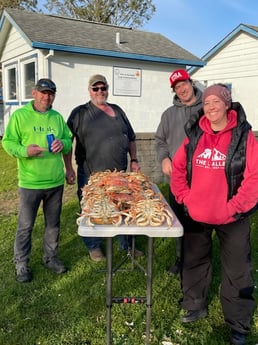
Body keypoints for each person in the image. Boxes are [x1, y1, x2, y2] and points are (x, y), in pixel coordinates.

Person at [171, 84, 257, 345]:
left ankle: (239, 324)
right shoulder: (195, 133)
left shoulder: (244, 135)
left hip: (233, 218)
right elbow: (177, 168)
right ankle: (195, 304)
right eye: (206, 102)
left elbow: (254, 176)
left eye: (216, 102)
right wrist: (185, 197)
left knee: (237, 270)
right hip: (197, 214)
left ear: (227, 104)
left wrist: (234, 207)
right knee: (194, 261)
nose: (210, 107)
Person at [63, 74, 144, 262]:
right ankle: (94, 246)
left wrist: (134, 160)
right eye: (96, 88)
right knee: (91, 210)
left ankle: (127, 244)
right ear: (89, 90)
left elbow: (131, 137)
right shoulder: (80, 113)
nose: (100, 92)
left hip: (119, 175)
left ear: (107, 89)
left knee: (123, 208)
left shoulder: (117, 110)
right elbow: (68, 142)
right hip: (91, 176)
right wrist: (69, 167)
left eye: (103, 88)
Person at [2, 78, 72, 283]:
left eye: (51, 93)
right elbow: (8, 142)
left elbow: (69, 141)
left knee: (53, 224)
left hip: (55, 182)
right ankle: (21, 264)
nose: (47, 97)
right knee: (25, 226)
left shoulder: (57, 117)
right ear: (34, 93)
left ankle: (50, 258)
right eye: (43, 92)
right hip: (30, 183)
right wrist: (24, 151)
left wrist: (63, 143)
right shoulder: (20, 116)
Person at [155, 69, 203, 274]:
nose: (181, 89)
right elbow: (160, 141)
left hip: (203, 177)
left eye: (183, 83)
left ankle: (199, 260)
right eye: (177, 87)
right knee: (179, 220)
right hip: (178, 178)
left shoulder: (207, 108)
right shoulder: (168, 114)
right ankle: (180, 258)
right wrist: (164, 158)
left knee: (200, 220)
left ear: (191, 82)